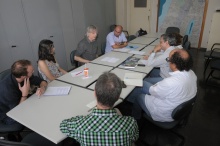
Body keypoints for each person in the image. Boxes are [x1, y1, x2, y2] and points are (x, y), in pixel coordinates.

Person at [60, 72, 139, 146]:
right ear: (118, 97)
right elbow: (134, 138)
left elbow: (63, 125)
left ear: (95, 93)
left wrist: (81, 119)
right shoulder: (131, 123)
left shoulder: (80, 126)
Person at [131, 49, 197, 122]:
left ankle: (135, 118)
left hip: (164, 114)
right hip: (180, 104)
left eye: (168, 59)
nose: (168, 62)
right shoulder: (192, 74)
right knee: (144, 83)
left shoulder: (170, 82)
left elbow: (153, 91)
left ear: (174, 64)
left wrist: (140, 82)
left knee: (139, 95)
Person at [0, 60, 47, 129]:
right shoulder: (7, 90)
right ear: (23, 76)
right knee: (40, 114)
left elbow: (41, 81)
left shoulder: (26, 77)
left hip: (22, 103)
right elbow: (17, 112)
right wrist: (24, 94)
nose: (33, 71)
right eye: (32, 71)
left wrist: (42, 87)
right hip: (9, 115)